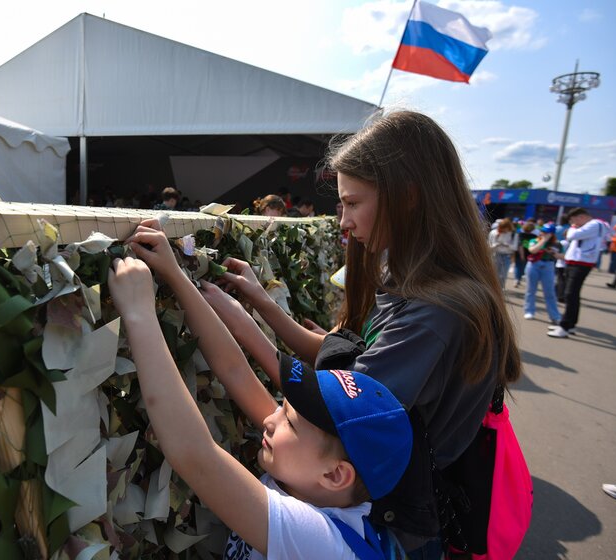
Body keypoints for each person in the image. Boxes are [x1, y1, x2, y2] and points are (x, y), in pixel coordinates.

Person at [203, 110, 521, 556]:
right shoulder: (412, 280)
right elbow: (340, 369)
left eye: (352, 203)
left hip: (395, 526)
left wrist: (238, 321)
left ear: (407, 197)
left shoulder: (434, 312)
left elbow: (334, 413)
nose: (343, 222)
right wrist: (261, 302)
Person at [108, 223, 412, 559]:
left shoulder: (320, 540)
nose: (270, 418)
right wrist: (177, 276)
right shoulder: (308, 472)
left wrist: (139, 314)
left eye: (288, 422)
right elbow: (236, 372)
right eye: (284, 408)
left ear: (335, 474)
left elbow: (195, 454)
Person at [548, 207, 608, 338]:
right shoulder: (592, 226)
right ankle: (570, 324)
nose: (573, 224)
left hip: (580, 264)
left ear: (581, 217)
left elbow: (571, 236)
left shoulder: (594, 224)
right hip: (576, 263)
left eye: (574, 221)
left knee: (570, 294)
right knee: (572, 295)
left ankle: (564, 326)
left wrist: (574, 227)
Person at [522, 223, 562, 324]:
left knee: (550, 292)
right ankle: (529, 311)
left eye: (546, 232)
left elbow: (562, 256)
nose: (543, 233)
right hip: (533, 265)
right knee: (530, 290)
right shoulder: (534, 240)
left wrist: (553, 252)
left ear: (552, 234)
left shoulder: (557, 244)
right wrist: (543, 240)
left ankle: (554, 315)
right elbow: (532, 250)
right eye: (542, 231)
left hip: (548, 266)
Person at [488, 218, 518, 289]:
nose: (505, 231)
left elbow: (515, 248)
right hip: (495, 254)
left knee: (503, 276)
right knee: (493, 274)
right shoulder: (494, 233)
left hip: (507, 256)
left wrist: (507, 245)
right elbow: (488, 245)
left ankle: (500, 290)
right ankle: (492, 289)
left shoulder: (513, 234)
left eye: (506, 229)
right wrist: (496, 245)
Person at [514, 222, 535, 287]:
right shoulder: (534, 236)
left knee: (518, 266)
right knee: (523, 267)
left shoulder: (520, 234)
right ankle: (519, 279)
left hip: (519, 254)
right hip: (529, 255)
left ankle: (517, 279)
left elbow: (520, 245)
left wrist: (522, 255)